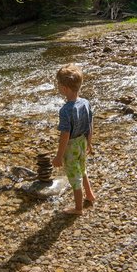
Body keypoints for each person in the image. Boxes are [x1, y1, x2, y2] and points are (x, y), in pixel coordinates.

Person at [52, 64, 96, 215]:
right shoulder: (85, 103)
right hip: (82, 142)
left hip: (71, 147)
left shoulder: (65, 110)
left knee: (74, 177)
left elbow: (65, 135)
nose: (58, 87)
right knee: (82, 169)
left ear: (64, 88)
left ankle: (78, 209)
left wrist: (58, 156)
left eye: (58, 85)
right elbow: (90, 124)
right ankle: (89, 195)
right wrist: (89, 143)